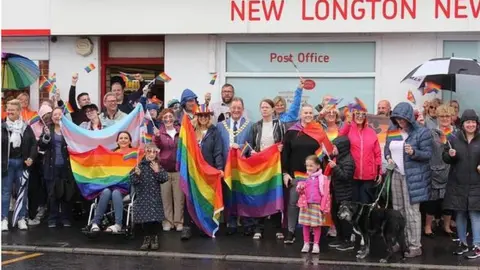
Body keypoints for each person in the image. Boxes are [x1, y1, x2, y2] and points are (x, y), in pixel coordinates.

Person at [384, 102, 433, 258]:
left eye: (403, 118)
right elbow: (387, 148)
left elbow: (427, 154)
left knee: (412, 212)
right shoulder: (392, 131)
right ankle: (402, 242)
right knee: (398, 210)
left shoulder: (422, 132)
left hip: (413, 177)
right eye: (397, 118)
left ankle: (415, 246)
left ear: (410, 117)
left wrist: (414, 152)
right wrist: (388, 158)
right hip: (396, 174)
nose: (400, 121)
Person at [282, 104, 333, 244]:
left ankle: (311, 234)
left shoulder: (318, 130)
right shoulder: (291, 132)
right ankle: (291, 231)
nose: (308, 115)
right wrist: (285, 173)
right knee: (293, 203)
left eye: (310, 112)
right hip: (296, 174)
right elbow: (285, 154)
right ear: (301, 114)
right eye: (305, 113)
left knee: (312, 204)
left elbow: (325, 151)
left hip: (314, 176)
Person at [181, 105, 224, 240]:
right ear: (197, 117)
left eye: (206, 115)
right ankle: (187, 227)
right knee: (189, 197)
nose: (203, 118)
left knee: (206, 198)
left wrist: (219, 168)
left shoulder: (214, 132)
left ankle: (203, 226)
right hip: (192, 171)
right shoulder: (191, 131)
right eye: (201, 115)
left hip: (208, 171)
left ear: (209, 117)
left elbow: (218, 152)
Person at [443, 109, 480, 259]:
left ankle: (477, 246)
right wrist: (450, 155)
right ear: (462, 124)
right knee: (459, 214)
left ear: (477, 124)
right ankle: (463, 244)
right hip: (457, 183)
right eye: (467, 122)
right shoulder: (453, 138)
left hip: (477, 184)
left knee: (475, 214)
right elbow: (445, 157)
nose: (470, 125)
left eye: (473, 122)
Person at [217, 97, 254, 235]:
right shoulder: (221, 125)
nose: (236, 110)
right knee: (229, 194)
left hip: (243, 166)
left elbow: (251, 145)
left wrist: (242, 150)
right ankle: (231, 221)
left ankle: (246, 222)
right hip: (227, 166)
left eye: (239, 108)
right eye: (234, 107)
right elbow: (218, 147)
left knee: (244, 194)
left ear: (243, 110)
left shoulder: (250, 125)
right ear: (229, 109)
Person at [251, 99, 286, 240]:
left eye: (267, 107)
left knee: (275, 194)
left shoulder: (280, 125)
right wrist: (253, 152)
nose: (264, 109)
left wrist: (281, 148)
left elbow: (284, 143)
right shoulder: (256, 126)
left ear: (273, 109)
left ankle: (277, 227)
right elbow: (253, 144)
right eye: (262, 107)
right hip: (260, 165)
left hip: (274, 165)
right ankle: (258, 227)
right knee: (260, 194)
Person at [1, 99, 37, 231]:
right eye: (8, 109)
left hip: (22, 163)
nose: (9, 112)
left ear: (19, 111)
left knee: (23, 192)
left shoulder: (26, 127)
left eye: (12, 109)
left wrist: (31, 158)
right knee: (5, 192)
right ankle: (3, 219)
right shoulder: (2, 126)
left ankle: (22, 218)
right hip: (6, 164)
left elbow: (34, 144)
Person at [39, 107, 76, 228]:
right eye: (55, 114)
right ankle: (52, 218)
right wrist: (46, 137)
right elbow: (41, 147)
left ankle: (65, 218)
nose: (57, 116)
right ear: (52, 117)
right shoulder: (47, 129)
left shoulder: (69, 130)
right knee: (52, 194)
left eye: (59, 114)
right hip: (51, 167)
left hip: (66, 167)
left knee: (66, 193)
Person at [90, 131, 134, 233]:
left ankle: (118, 224)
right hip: (111, 184)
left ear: (130, 141)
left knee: (116, 192)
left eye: (126, 138)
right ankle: (96, 222)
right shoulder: (112, 154)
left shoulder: (134, 154)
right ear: (117, 141)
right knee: (105, 192)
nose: (123, 140)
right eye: (121, 138)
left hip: (125, 185)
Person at [339, 103, 382, 204]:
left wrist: (379, 171)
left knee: (365, 204)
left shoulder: (371, 132)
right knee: (353, 205)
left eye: (363, 114)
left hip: (369, 176)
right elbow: (339, 139)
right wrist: (347, 124)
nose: (360, 116)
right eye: (357, 114)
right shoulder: (348, 129)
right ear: (353, 115)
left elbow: (377, 153)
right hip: (352, 174)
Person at [424, 104, 456, 238]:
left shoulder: (456, 133)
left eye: (447, 116)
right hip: (434, 171)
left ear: (452, 117)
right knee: (432, 201)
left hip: (451, 172)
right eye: (442, 116)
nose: (444, 118)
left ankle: (447, 226)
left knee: (448, 201)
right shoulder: (432, 133)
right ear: (437, 117)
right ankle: (427, 227)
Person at [131, 143, 168, 250]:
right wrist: (136, 174)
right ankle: (146, 238)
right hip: (143, 197)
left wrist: (157, 171)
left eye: (154, 152)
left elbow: (164, 178)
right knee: (145, 220)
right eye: (149, 151)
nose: (151, 154)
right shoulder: (139, 166)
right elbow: (133, 181)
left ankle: (154, 238)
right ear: (145, 152)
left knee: (155, 219)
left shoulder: (157, 165)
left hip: (154, 198)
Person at [154, 109, 184, 232]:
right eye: (165, 117)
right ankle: (167, 222)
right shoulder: (159, 133)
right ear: (162, 119)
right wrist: (156, 138)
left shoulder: (181, 131)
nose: (168, 119)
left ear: (174, 118)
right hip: (164, 169)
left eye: (170, 116)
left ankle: (178, 222)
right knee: (165, 198)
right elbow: (157, 148)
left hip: (178, 169)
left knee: (179, 198)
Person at [296, 155, 331, 254]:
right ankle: (306, 243)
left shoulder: (323, 178)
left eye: (311, 165)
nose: (309, 168)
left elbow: (326, 194)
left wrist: (323, 206)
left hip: (317, 205)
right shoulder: (305, 177)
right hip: (306, 205)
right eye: (307, 166)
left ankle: (316, 244)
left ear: (318, 166)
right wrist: (300, 188)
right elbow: (299, 191)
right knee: (305, 225)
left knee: (316, 226)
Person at [327, 136, 355, 251]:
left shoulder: (348, 160)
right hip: (337, 193)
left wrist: (336, 167)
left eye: (335, 146)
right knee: (335, 215)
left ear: (341, 148)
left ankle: (348, 241)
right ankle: (340, 237)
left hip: (345, 194)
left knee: (344, 219)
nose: (333, 148)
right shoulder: (338, 158)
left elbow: (346, 176)